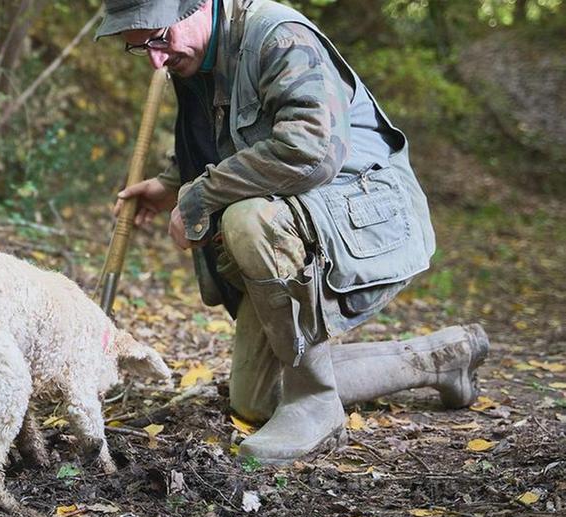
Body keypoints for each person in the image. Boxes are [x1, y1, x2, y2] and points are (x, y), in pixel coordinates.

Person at [96, 0, 489, 464]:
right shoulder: (194, 55)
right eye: (141, 49)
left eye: (159, 38)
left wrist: (198, 196)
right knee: (257, 398)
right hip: (307, 215)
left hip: (365, 216)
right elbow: (225, 137)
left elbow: (310, 150)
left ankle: (316, 403)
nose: (157, 59)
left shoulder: (277, 34)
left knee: (249, 218)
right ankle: (443, 357)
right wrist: (170, 183)